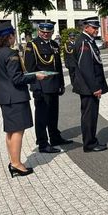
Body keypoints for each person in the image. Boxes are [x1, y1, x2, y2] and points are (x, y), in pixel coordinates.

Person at [0, 22, 46, 177]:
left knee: (10, 131)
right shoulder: (10, 53)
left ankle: (13, 160)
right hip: (16, 97)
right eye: (13, 35)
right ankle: (16, 164)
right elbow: (16, 78)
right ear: (9, 36)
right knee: (18, 131)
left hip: (4, 95)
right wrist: (35, 76)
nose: (14, 38)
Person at [24, 21, 72, 153]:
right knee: (41, 116)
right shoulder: (32, 45)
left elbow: (58, 67)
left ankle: (55, 137)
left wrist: (61, 84)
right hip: (41, 86)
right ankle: (43, 143)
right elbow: (30, 69)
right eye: (43, 32)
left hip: (54, 85)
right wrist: (36, 87)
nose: (45, 34)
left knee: (53, 114)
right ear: (39, 31)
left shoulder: (54, 45)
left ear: (52, 32)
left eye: (48, 32)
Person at [72, 17, 108, 152]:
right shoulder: (84, 42)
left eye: (97, 28)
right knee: (89, 116)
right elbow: (86, 68)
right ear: (86, 27)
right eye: (94, 28)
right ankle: (89, 144)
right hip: (88, 88)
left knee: (92, 116)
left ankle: (91, 140)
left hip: (89, 87)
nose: (96, 30)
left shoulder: (88, 41)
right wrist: (95, 88)